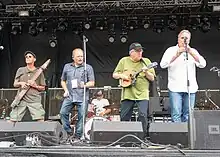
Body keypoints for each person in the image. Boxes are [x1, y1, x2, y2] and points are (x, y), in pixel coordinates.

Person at [160, 29, 206, 122]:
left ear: (189, 40)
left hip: (190, 88)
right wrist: (176, 55)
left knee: (188, 114)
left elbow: (203, 64)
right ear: (178, 39)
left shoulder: (193, 51)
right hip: (175, 87)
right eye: (182, 38)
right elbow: (163, 64)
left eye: (186, 38)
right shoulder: (171, 50)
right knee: (176, 114)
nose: (184, 40)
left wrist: (191, 52)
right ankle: (178, 135)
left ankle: (188, 136)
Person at [112, 42, 155, 141]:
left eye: (141, 51)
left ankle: (143, 138)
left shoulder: (146, 61)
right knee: (124, 116)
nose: (140, 53)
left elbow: (152, 78)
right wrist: (123, 76)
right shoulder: (124, 61)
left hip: (142, 93)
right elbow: (114, 74)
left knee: (143, 115)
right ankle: (124, 137)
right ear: (131, 52)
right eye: (138, 51)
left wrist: (146, 72)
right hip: (128, 93)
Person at [59, 48, 95, 142]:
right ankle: (69, 132)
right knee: (63, 113)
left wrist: (85, 85)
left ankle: (78, 136)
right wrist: (65, 90)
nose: (80, 58)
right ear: (73, 57)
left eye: (82, 56)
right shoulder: (67, 67)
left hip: (82, 96)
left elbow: (92, 83)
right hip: (70, 95)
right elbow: (63, 80)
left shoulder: (88, 67)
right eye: (78, 56)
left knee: (82, 116)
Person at [10, 51, 46, 122]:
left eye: (30, 56)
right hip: (21, 99)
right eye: (26, 57)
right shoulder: (20, 70)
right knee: (13, 120)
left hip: (34, 100)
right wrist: (21, 83)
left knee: (40, 120)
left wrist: (35, 86)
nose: (27, 58)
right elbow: (15, 84)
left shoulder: (39, 72)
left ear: (34, 59)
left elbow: (43, 88)